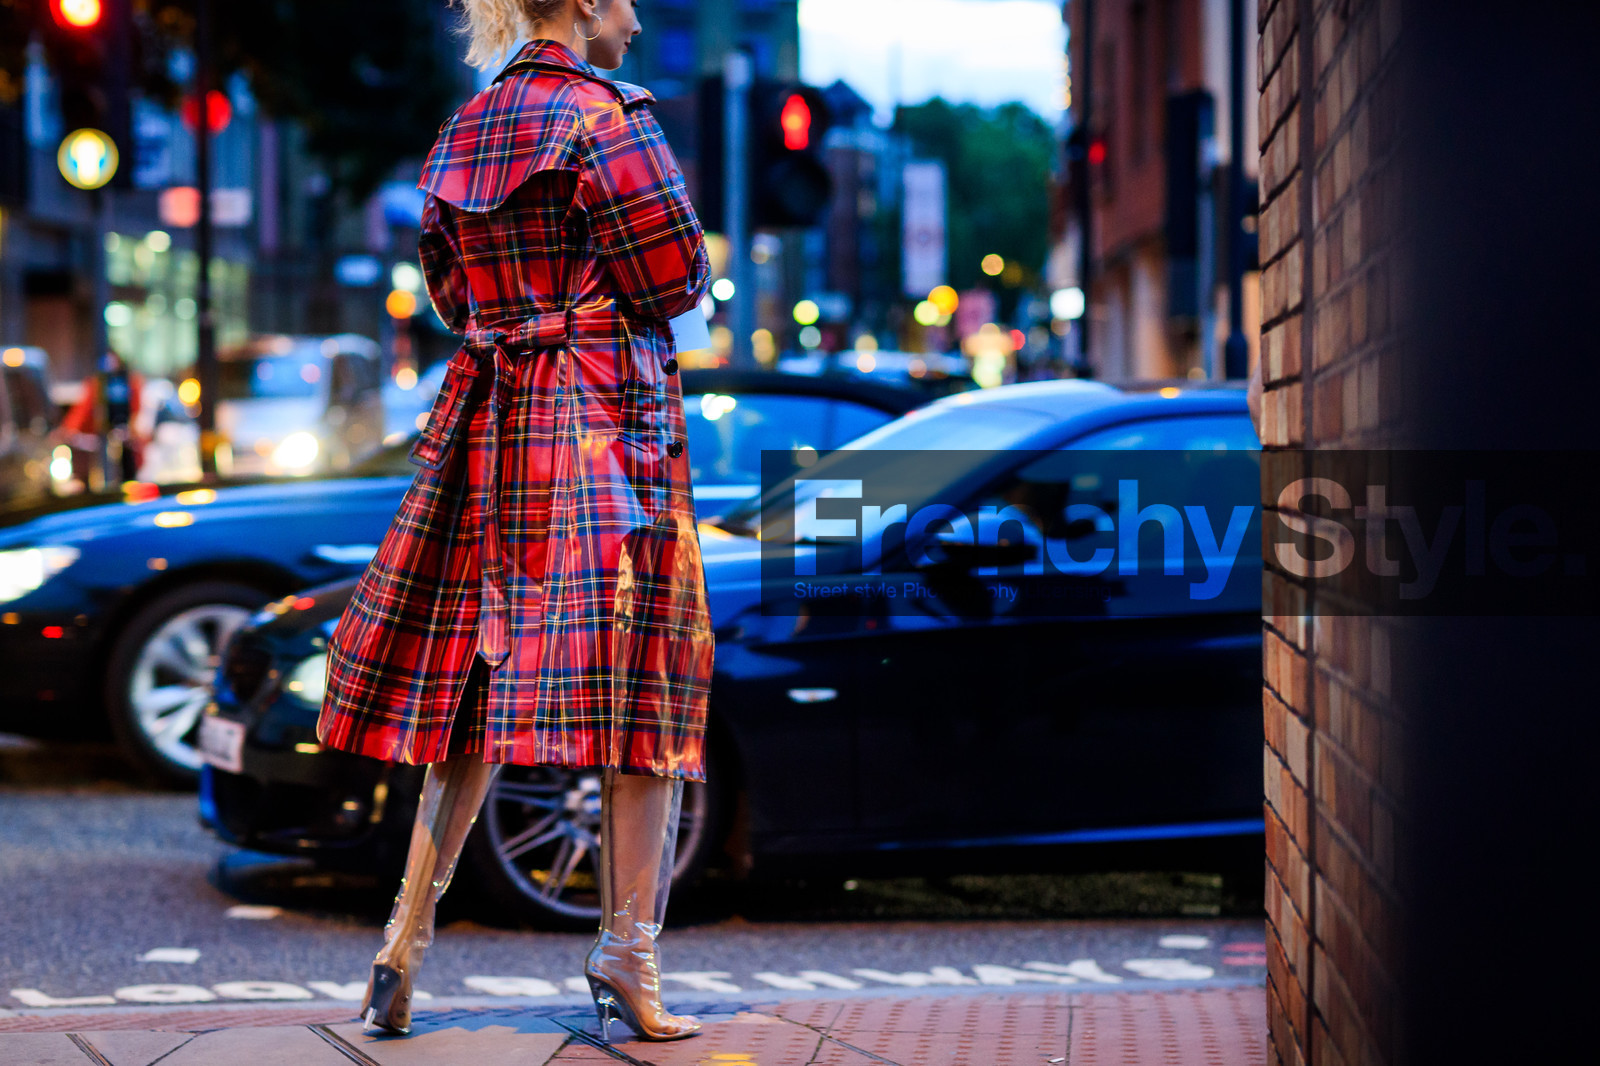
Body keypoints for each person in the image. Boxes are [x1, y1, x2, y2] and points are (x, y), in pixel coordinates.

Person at [314, 0, 713, 1043]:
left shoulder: (465, 126)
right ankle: (628, 954)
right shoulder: (609, 116)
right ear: (581, 5)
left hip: (495, 418)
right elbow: (676, 276)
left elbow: (451, 294)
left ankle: (403, 940)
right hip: (605, 423)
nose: (635, 19)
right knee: (644, 678)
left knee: (476, 681)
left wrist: (520, 314)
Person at [59, 350, 145, 486]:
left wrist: (131, 433)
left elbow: (136, 415)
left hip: (125, 448)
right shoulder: (95, 385)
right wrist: (68, 431)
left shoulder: (131, 383)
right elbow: (80, 413)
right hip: (98, 450)